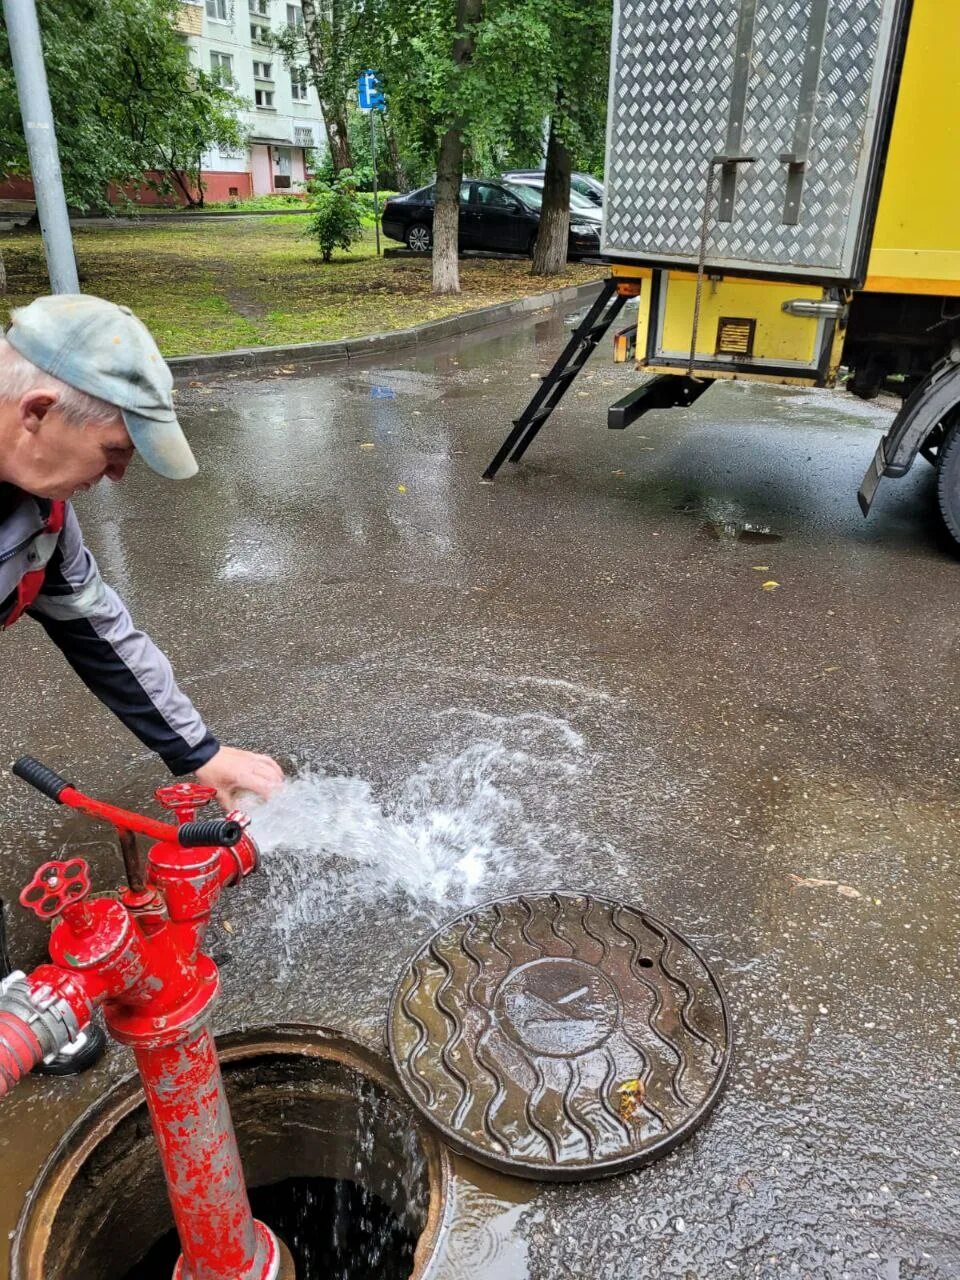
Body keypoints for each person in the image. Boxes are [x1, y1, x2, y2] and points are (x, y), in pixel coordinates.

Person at [0, 294, 284, 1071]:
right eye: (116, 450)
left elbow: (97, 627)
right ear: (38, 413)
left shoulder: (41, 510)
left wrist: (200, 750)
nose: (118, 476)